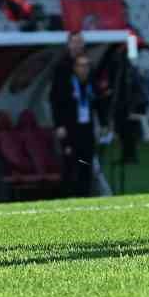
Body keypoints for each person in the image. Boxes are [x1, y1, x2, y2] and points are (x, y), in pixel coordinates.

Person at [51, 51, 98, 197]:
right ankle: (66, 196)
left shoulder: (91, 84)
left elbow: (97, 104)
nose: (84, 69)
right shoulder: (66, 84)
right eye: (80, 66)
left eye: (86, 66)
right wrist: (59, 125)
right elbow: (56, 104)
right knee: (70, 163)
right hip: (70, 129)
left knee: (86, 162)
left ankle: (85, 195)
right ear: (75, 68)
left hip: (87, 128)